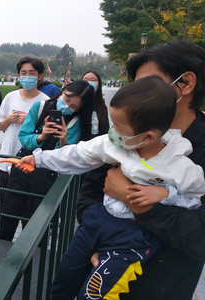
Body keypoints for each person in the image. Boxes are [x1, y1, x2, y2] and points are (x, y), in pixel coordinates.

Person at [17, 76, 205, 299]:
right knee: (65, 275)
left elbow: (194, 198)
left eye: (118, 126)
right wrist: (38, 159)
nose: (112, 131)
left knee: (97, 293)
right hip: (99, 219)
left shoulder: (180, 167)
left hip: (132, 237)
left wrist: (166, 193)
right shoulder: (113, 144)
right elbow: (79, 154)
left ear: (147, 137)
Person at [75, 40, 205, 300]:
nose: (138, 92)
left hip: (162, 286)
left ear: (186, 84)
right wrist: (96, 237)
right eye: (135, 85)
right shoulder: (126, 134)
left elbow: (199, 235)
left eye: (147, 83)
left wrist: (134, 200)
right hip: (99, 273)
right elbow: (89, 192)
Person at [0, 80, 95, 241]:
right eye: (67, 99)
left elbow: (68, 155)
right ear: (64, 90)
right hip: (23, 163)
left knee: (38, 219)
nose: (67, 106)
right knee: (9, 212)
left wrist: (63, 141)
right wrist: (41, 136)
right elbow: (24, 137)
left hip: (47, 174)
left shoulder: (76, 122)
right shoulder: (40, 107)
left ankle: (34, 259)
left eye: (74, 107)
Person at [0, 57, 50, 217]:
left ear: (40, 75)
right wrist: (9, 119)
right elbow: (0, 126)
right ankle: (2, 241)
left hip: (31, 162)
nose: (27, 77)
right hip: (7, 159)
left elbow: (47, 135)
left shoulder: (45, 102)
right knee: (5, 208)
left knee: (28, 209)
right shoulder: (11, 97)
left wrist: (29, 120)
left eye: (32, 73)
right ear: (18, 75)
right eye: (23, 73)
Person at [82, 70, 109, 137]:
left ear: (99, 85)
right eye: (85, 80)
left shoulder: (102, 105)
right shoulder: (76, 103)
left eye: (93, 80)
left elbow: (106, 128)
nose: (89, 82)